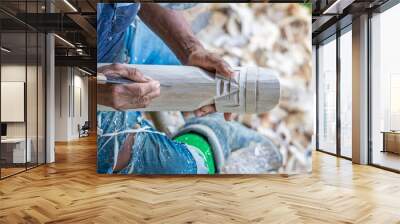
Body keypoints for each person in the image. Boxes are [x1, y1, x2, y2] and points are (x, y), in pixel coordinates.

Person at [97, 3, 282, 174]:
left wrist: (190, 49)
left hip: (114, 35)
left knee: (171, 56)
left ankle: (200, 116)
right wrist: (93, 92)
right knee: (184, 168)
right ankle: (211, 133)